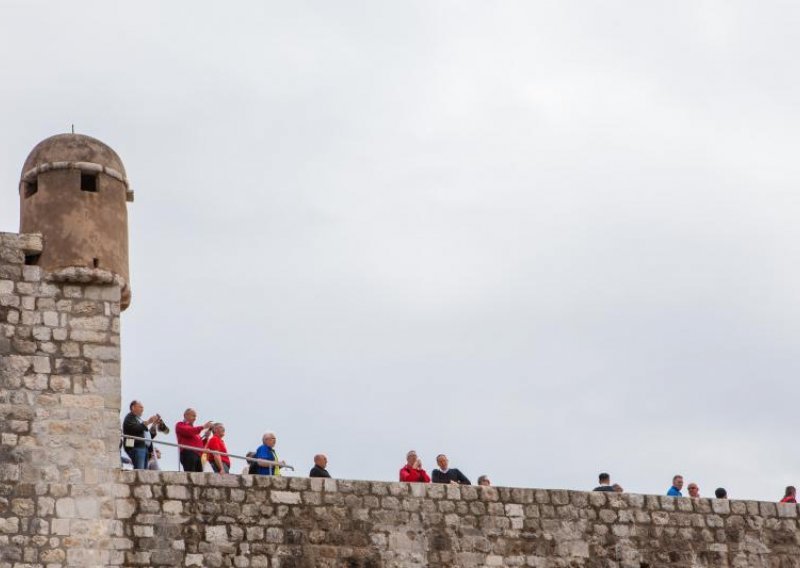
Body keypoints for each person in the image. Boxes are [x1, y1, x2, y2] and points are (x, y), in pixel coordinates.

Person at [122, 400, 159, 470]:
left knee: (144, 473)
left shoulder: (139, 419)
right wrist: (148, 421)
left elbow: (148, 436)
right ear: (133, 407)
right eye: (140, 407)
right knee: (140, 471)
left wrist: (154, 425)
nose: (142, 409)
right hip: (136, 447)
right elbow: (135, 429)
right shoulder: (129, 417)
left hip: (144, 448)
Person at [175, 408, 212, 473]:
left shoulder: (194, 430)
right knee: (191, 476)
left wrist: (206, 437)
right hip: (188, 453)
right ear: (185, 415)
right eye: (193, 416)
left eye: (195, 416)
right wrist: (203, 427)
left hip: (197, 455)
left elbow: (200, 444)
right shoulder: (180, 424)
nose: (195, 418)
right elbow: (188, 431)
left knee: (199, 477)